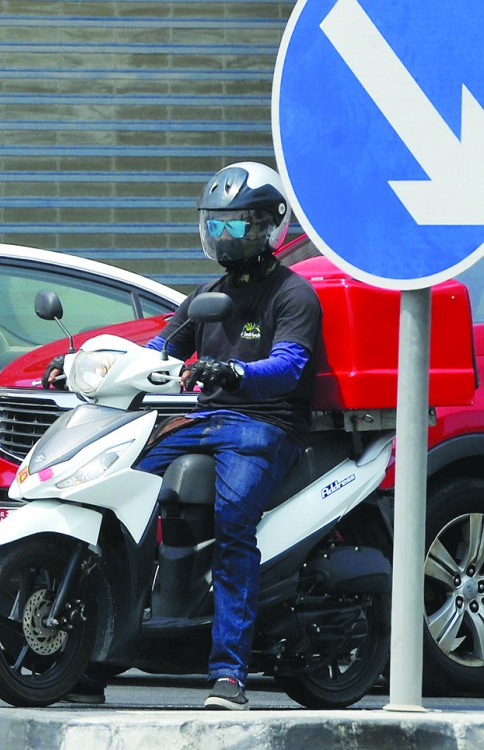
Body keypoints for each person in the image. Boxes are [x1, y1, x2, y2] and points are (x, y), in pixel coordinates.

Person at [44, 162, 322, 710]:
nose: (224, 237)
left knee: (234, 522)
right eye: (215, 225)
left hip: (265, 425)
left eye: (236, 225)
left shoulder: (293, 295)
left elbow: (290, 366)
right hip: (202, 421)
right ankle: (99, 652)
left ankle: (229, 675)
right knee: (123, 493)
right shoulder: (206, 293)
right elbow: (157, 350)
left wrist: (236, 372)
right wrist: (83, 366)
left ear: (270, 226)